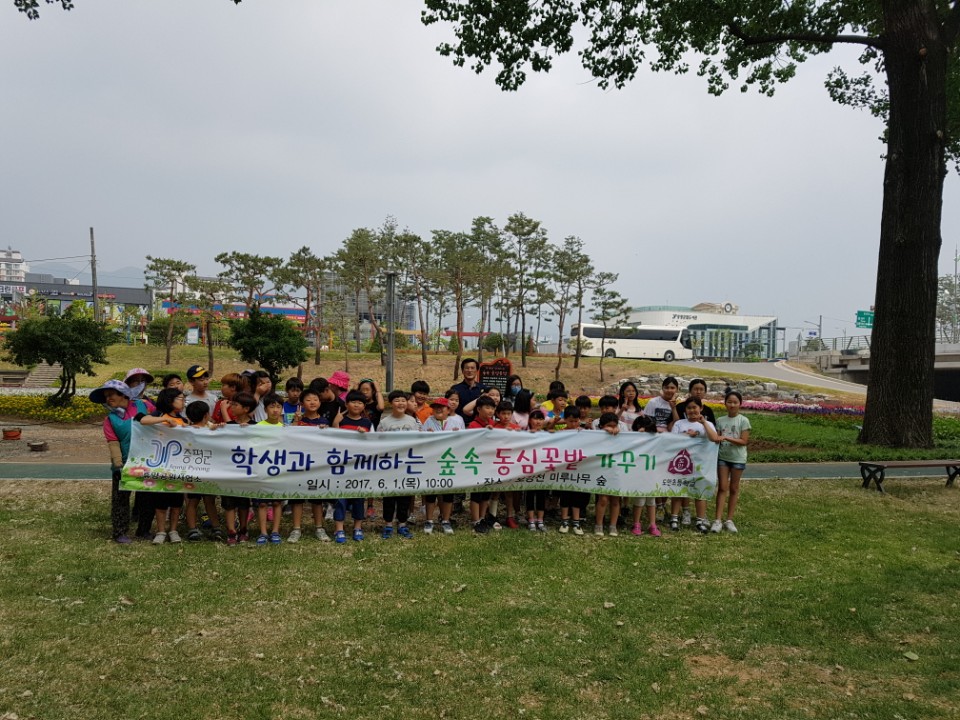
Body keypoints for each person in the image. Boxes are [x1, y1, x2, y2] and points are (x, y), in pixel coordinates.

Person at [94, 379, 152, 543]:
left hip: (148, 462)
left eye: (111, 394)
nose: (108, 399)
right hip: (125, 464)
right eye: (106, 396)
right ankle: (120, 532)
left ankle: (144, 530)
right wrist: (118, 463)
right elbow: (113, 443)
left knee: (147, 499)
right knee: (120, 500)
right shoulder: (110, 420)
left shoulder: (143, 406)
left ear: (124, 395)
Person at [137, 387, 188, 544]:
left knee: (176, 502)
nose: (183, 401)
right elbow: (142, 420)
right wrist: (163, 421)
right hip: (160, 467)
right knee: (160, 502)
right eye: (180, 398)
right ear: (169, 400)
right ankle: (160, 531)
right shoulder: (159, 416)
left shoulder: (184, 421)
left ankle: (173, 530)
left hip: (179, 468)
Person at [669, 397, 719, 534]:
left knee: (700, 491)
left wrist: (703, 423)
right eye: (689, 408)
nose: (692, 410)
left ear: (701, 408)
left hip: (701, 464)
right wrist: (685, 436)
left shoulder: (707, 424)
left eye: (694, 407)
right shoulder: (679, 423)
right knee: (679, 490)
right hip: (683, 463)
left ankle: (700, 520)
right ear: (685, 410)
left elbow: (714, 438)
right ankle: (674, 518)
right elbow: (672, 440)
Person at [377, 391, 420, 539]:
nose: (400, 403)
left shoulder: (412, 421)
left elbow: (418, 440)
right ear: (391, 403)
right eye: (397, 400)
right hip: (389, 464)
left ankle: (402, 523)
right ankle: (388, 524)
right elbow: (378, 442)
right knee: (389, 495)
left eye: (403, 400)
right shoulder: (385, 422)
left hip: (407, 464)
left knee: (404, 495)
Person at [183, 400, 225, 542]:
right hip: (207, 471)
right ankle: (215, 527)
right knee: (208, 501)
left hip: (193, 471)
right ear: (206, 415)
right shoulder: (207, 429)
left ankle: (193, 529)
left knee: (193, 501)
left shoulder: (187, 430)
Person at [332, 390, 370, 542]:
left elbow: (372, 443)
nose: (356, 405)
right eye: (353, 402)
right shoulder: (341, 420)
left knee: (359, 498)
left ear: (364, 406)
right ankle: (339, 529)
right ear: (347, 404)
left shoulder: (367, 423)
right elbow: (332, 439)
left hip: (360, 467)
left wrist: (364, 434)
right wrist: (336, 423)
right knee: (340, 498)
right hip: (342, 466)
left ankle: (357, 527)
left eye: (360, 402)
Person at [222, 392, 258, 545]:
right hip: (229, 470)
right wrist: (217, 429)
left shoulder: (257, 427)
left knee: (244, 501)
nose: (232, 407)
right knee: (229, 502)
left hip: (246, 470)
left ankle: (243, 529)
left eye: (235, 405)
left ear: (246, 409)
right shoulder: (228, 426)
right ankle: (231, 531)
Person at [713, 390, 751, 534]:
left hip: (738, 459)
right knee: (722, 487)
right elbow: (716, 438)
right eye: (729, 402)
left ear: (740, 404)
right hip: (723, 458)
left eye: (735, 402)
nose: (732, 405)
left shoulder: (744, 420)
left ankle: (729, 520)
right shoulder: (720, 420)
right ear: (725, 404)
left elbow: (744, 441)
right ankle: (717, 520)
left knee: (734, 488)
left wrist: (726, 438)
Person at [253, 393, 286, 545]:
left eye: (278, 407)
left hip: (279, 470)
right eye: (272, 407)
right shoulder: (258, 427)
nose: (275, 410)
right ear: (265, 409)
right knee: (262, 503)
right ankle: (263, 532)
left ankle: (275, 531)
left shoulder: (285, 428)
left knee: (277, 502)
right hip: (262, 469)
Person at [466, 395, 497, 534]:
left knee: (486, 493)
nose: (490, 411)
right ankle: (475, 520)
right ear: (478, 409)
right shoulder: (473, 425)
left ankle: (482, 517)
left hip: (490, 463)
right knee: (476, 494)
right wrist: (484, 433)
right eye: (487, 407)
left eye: (492, 408)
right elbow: (471, 443)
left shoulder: (494, 424)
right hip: (477, 464)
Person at [557, 406, 587, 535]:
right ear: (565, 420)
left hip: (578, 469)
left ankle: (576, 521)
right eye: (570, 421)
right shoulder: (561, 433)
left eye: (576, 421)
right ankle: (564, 521)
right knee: (565, 495)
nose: (573, 424)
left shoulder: (584, 433)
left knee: (577, 495)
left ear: (579, 420)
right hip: (564, 469)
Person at [630, 415, 661, 536]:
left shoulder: (657, 437)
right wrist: (638, 435)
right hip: (639, 473)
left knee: (651, 499)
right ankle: (636, 523)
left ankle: (652, 524)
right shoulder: (632, 437)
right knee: (640, 499)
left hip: (652, 473)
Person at [593, 412, 623, 536]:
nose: (612, 428)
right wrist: (603, 432)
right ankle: (599, 525)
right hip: (602, 470)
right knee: (603, 499)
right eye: (609, 426)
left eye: (614, 425)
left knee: (615, 500)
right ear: (601, 426)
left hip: (616, 470)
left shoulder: (622, 435)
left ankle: (613, 526)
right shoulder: (596, 435)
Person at [525, 410, 548, 531]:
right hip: (528, 469)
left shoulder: (548, 434)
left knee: (541, 494)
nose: (538, 422)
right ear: (530, 420)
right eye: (535, 418)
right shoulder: (524, 434)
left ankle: (540, 519)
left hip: (543, 469)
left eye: (540, 419)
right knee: (529, 494)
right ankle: (531, 519)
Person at [450, 358, 483, 422]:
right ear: (462, 371)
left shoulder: (483, 389)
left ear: (477, 371)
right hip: (459, 424)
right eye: (467, 368)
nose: (469, 370)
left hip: (478, 425)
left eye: (472, 368)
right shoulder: (455, 389)